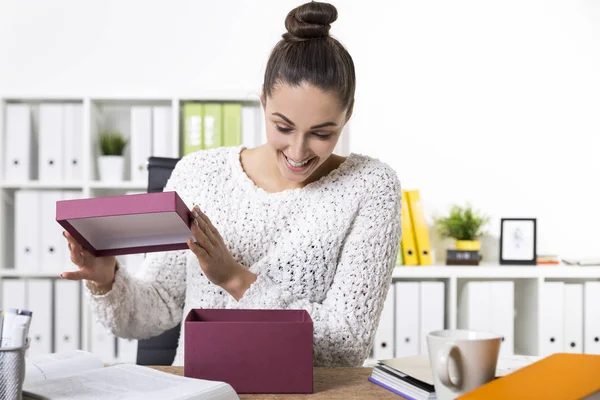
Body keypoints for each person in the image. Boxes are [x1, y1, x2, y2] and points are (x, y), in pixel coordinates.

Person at [62, 1, 402, 368]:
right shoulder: (199, 174)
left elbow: (346, 343)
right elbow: (153, 309)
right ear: (263, 101)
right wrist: (107, 280)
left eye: (322, 133)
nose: (298, 151)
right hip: (200, 389)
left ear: (348, 114)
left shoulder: (370, 187)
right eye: (283, 127)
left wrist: (237, 279)